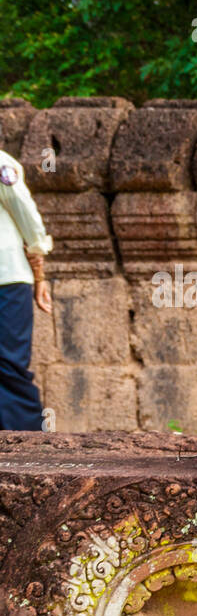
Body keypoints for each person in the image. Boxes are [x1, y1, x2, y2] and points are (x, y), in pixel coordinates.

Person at [0, 143, 53, 431]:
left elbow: (25, 213)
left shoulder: (0, 164)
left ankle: (27, 440)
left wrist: (38, 269)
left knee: (8, 364)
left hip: (6, 278)